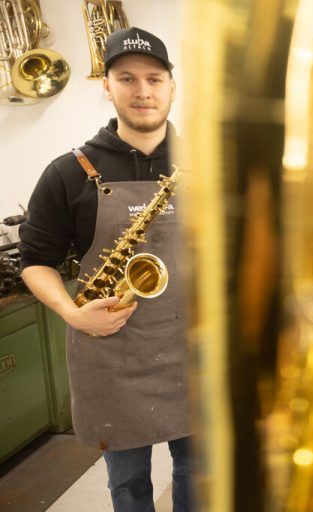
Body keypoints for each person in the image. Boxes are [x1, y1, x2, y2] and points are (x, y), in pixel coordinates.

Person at [19, 27, 192, 512]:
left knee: (200, 477)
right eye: (127, 78)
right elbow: (35, 262)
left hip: (196, 354)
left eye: (154, 79)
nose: (143, 91)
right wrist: (71, 313)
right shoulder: (68, 171)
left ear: (172, 86)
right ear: (107, 86)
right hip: (114, 357)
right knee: (128, 485)